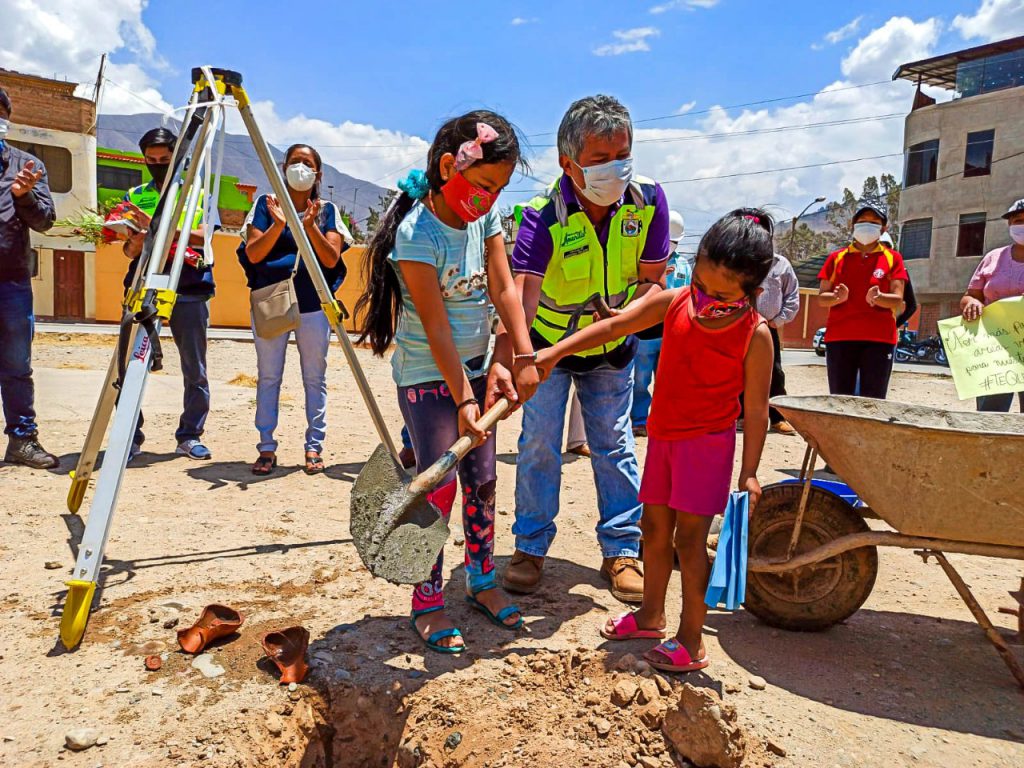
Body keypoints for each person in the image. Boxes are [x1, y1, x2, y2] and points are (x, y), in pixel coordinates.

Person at [536, 208, 775, 673]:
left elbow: (758, 409)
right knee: (653, 533)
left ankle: (691, 639)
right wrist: (554, 352)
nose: (705, 299)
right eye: (701, 286)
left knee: (689, 543)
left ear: (754, 293)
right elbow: (614, 326)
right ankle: (650, 615)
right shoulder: (676, 301)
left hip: (706, 448)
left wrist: (749, 471)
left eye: (722, 295)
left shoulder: (755, 335)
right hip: (664, 440)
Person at [355, 111, 539, 654]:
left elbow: (505, 291)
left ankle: (481, 579)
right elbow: (434, 325)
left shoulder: (487, 221)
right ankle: (428, 600)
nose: (489, 199)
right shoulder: (417, 234)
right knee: (437, 487)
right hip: (426, 377)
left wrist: (520, 355)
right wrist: (461, 396)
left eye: (500, 190)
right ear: (446, 167)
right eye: (483, 186)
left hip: (479, 370)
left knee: (482, 480)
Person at [499, 95, 669, 603]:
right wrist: (520, 363)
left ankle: (621, 549)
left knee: (615, 446)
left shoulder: (648, 202)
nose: (616, 167)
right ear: (567, 162)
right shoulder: (541, 215)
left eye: (624, 153)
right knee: (538, 444)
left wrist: (623, 320)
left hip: (614, 351)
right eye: (600, 159)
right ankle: (530, 547)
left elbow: (653, 283)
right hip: (548, 345)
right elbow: (522, 299)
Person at [240, 144, 346, 475]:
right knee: (269, 375)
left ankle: (314, 446)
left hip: (314, 304)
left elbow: (331, 258)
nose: (300, 168)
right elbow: (254, 254)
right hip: (272, 300)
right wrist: (278, 224)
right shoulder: (265, 205)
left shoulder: (327, 211)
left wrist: (310, 226)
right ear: (283, 167)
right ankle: (266, 447)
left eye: (307, 163)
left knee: (315, 377)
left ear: (318, 173)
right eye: (295, 162)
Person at [121, 127, 215, 462]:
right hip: (143, 286)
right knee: (129, 366)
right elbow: (130, 252)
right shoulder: (135, 195)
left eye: (165, 160)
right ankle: (129, 437)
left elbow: (204, 237)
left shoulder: (198, 193)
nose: (158, 165)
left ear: (177, 157)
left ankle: (190, 435)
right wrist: (136, 234)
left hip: (188, 287)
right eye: (152, 160)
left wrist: (164, 227)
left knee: (195, 367)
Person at [0, 86, 59, 468]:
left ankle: (22, 440)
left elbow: (46, 220)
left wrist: (24, 195)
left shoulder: (28, 166)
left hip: (12, 284)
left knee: (16, 365)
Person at [817, 201, 907, 399]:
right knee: (840, 399)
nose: (867, 225)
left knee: (873, 400)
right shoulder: (836, 258)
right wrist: (836, 297)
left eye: (874, 222)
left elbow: (898, 299)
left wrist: (880, 298)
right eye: (862, 221)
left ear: (883, 228)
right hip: (840, 338)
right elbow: (822, 298)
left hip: (879, 339)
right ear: (853, 225)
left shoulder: (893, 258)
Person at [961, 198, 1024, 412]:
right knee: (991, 414)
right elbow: (970, 295)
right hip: (994, 349)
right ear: (1010, 224)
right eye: (1018, 220)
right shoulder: (993, 258)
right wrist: (972, 304)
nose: (1022, 225)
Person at [632, 209, 688, 437]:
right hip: (645, 333)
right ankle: (638, 419)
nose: (670, 245)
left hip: (672, 333)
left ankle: (663, 419)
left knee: (667, 381)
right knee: (640, 380)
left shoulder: (684, 265)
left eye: (674, 241)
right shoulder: (646, 263)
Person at [739, 251, 799, 434]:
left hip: (768, 326)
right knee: (738, 370)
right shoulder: (736, 259)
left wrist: (778, 321)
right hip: (738, 326)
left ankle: (778, 418)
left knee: (775, 372)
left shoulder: (781, 264)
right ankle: (740, 416)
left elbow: (792, 295)